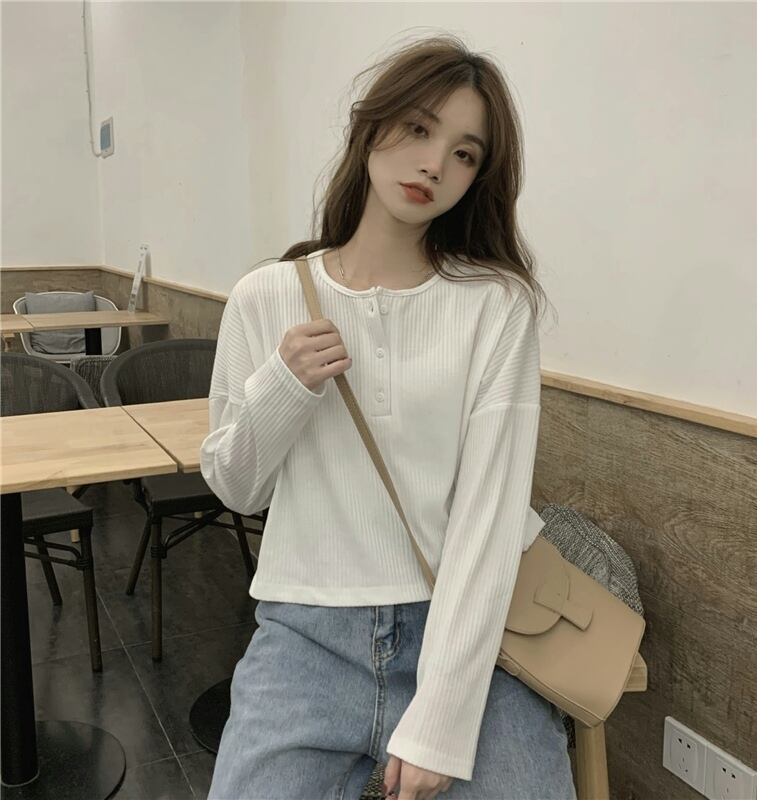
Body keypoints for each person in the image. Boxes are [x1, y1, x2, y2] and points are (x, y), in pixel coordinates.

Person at [201, 33, 576, 800]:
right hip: (305, 635)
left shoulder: (495, 306)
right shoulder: (264, 296)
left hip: (462, 630)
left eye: (464, 153)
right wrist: (284, 385)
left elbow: (489, 514)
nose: (434, 164)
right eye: (418, 128)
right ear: (371, 127)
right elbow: (237, 488)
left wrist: (441, 715)